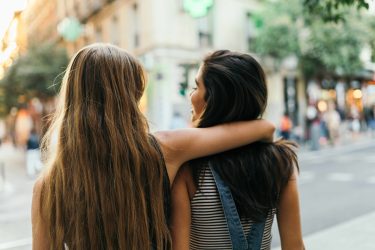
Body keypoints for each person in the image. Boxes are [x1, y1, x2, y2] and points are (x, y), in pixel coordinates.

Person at [31, 44, 275, 249]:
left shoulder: (48, 186)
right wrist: (266, 134)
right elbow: (262, 128)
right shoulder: (163, 149)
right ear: (129, 98)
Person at [170, 50, 304, 250]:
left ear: (214, 100)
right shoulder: (280, 162)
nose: (191, 95)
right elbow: (294, 246)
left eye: (196, 86)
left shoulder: (188, 166)